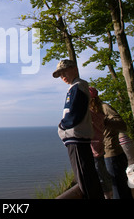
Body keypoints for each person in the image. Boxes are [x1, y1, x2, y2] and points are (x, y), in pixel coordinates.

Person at [53, 59, 104, 199]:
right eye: (60, 74)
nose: (63, 76)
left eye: (64, 71)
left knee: (86, 180)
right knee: (87, 177)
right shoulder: (77, 86)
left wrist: (62, 126)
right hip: (78, 139)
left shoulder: (78, 86)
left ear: (75, 69)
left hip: (77, 140)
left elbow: (75, 113)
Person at [89, 87, 133, 199]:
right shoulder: (90, 111)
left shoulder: (104, 107)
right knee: (113, 187)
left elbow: (122, 125)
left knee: (118, 188)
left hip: (112, 153)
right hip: (102, 153)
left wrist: (103, 121)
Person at [89, 87, 113, 199]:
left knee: (100, 177)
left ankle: (107, 196)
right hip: (100, 146)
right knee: (103, 175)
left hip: (94, 148)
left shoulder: (90, 113)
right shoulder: (99, 111)